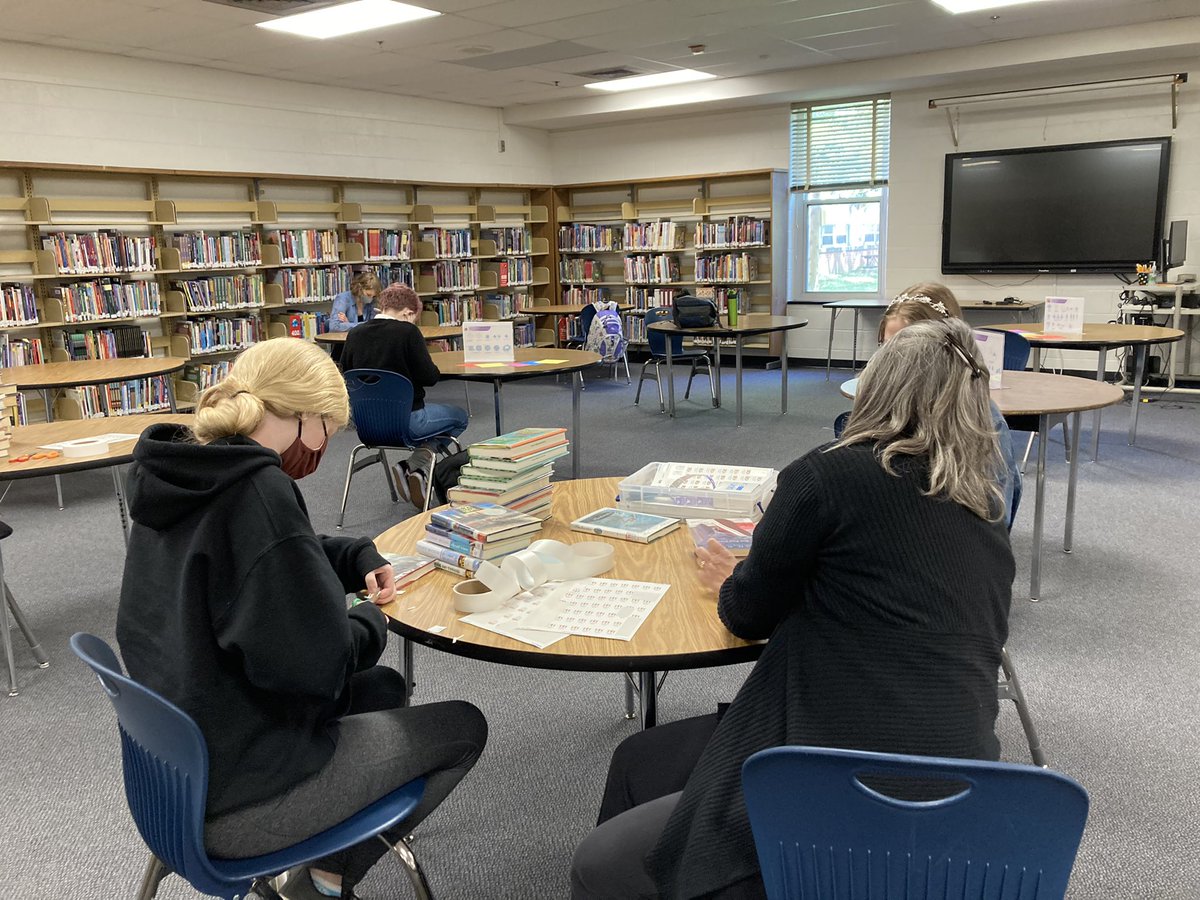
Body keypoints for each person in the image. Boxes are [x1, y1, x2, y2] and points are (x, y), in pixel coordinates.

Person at [570, 319, 1015, 900]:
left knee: (599, 861)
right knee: (641, 761)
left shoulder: (825, 476)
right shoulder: (983, 504)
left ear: (874, 388)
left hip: (835, 791)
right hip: (963, 786)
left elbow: (745, 614)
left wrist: (733, 575)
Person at [115, 338, 487, 900]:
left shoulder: (184, 472)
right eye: (327, 432)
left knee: (382, 688)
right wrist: (370, 615)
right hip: (242, 801)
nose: (322, 448)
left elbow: (273, 553)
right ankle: (323, 883)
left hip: (175, 774)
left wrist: (354, 555)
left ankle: (321, 875)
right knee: (463, 726)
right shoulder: (261, 493)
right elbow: (322, 669)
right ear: (302, 415)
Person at [873, 281, 1021, 526]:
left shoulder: (983, 421)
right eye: (887, 349)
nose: (894, 363)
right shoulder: (879, 405)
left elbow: (996, 519)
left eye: (909, 351)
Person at [339, 283, 468, 508]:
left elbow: (345, 374)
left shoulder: (355, 333)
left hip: (366, 427)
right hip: (409, 423)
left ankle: (413, 467)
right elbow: (429, 377)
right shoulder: (408, 332)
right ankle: (415, 465)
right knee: (460, 417)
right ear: (408, 313)